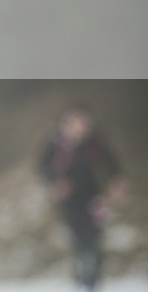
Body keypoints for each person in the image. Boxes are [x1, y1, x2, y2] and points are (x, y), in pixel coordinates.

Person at [39, 104, 126, 291]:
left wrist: (116, 181)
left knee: (94, 237)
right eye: (74, 122)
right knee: (77, 239)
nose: (79, 126)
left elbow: (112, 163)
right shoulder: (56, 144)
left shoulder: (95, 142)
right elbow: (42, 167)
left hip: (95, 197)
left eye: (83, 122)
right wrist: (55, 182)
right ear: (65, 124)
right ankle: (80, 277)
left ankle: (93, 280)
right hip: (69, 200)